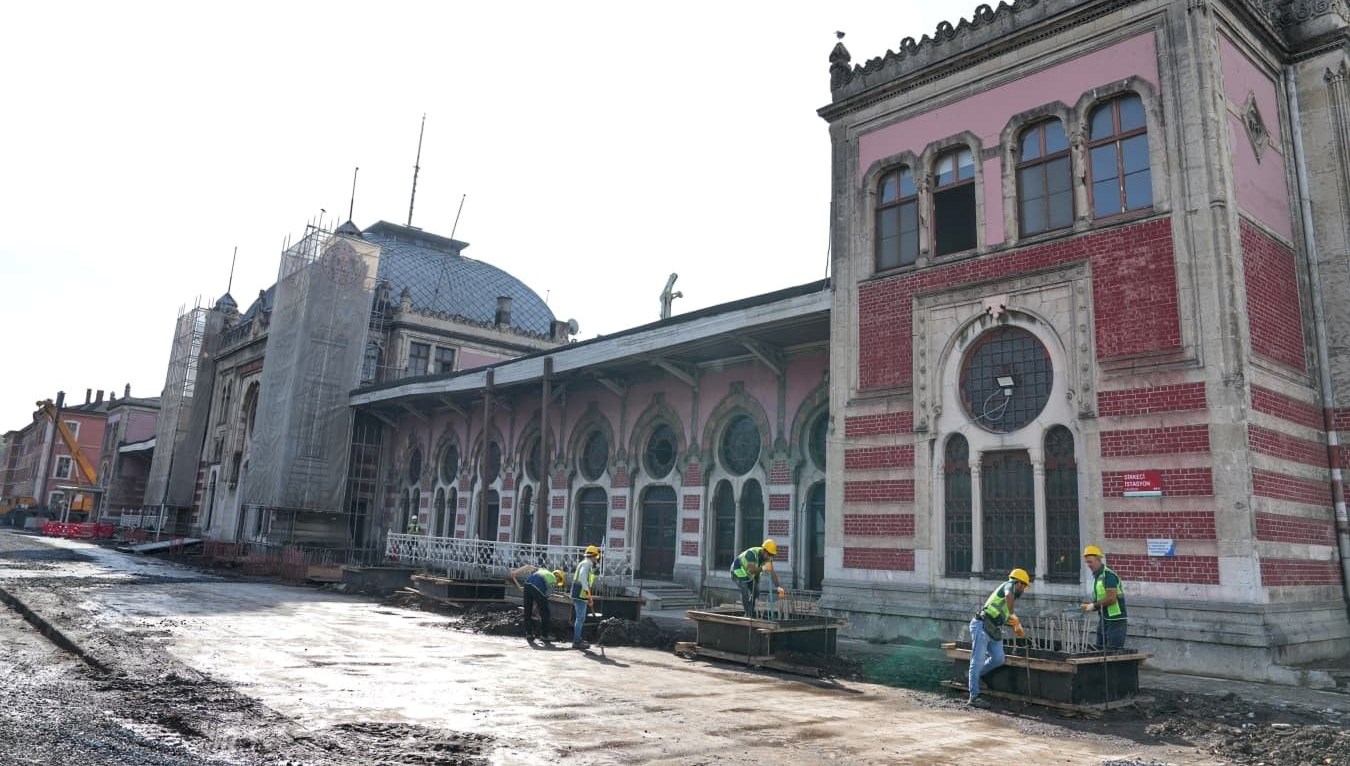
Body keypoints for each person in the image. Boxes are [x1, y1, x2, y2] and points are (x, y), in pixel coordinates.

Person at [968, 567, 1030, 708]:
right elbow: (1008, 596)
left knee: (998, 658)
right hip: (982, 625)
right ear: (1019, 583)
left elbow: (1004, 615)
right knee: (977, 661)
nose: (1024, 590)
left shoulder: (1008, 600)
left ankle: (974, 677)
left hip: (993, 629)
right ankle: (974, 697)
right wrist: (1014, 616)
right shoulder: (1009, 586)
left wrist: (1016, 626)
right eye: (1024, 586)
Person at [1081, 544, 1127, 649]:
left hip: (1116, 619)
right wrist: (1091, 605)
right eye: (1086, 562)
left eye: (1090, 562)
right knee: (1100, 647)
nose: (1088, 565)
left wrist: (1093, 605)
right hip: (1105, 617)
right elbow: (1101, 598)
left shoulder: (1108, 575)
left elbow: (1112, 598)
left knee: (1113, 651)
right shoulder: (1098, 576)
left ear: (1098, 560)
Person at [509, 563, 566, 642]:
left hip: (527, 585)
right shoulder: (553, 580)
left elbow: (527, 566)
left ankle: (529, 634)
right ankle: (544, 635)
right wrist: (537, 610)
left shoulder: (542, 570)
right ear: (558, 577)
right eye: (558, 581)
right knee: (546, 613)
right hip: (537, 588)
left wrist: (515, 573)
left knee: (527, 611)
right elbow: (544, 597)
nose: (557, 583)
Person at [730, 539, 785, 617]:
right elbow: (751, 570)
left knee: (756, 592)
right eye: (769, 554)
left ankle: (750, 611)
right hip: (737, 571)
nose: (770, 557)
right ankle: (748, 613)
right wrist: (763, 568)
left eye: (772, 555)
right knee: (744, 588)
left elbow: (772, 573)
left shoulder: (767, 559)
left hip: (747, 575)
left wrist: (778, 587)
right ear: (763, 550)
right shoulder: (751, 554)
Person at [570, 545, 601, 649]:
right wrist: (589, 596)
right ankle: (577, 641)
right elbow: (583, 580)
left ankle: (578, 639)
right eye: (596, 558)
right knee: (580, 618)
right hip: (579, 593)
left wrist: (588, 596)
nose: (597, 560)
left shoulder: (585, 563)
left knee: (580, 618)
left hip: (579, 593)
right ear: (594, 556)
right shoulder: (587, 564)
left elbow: (586, 581)